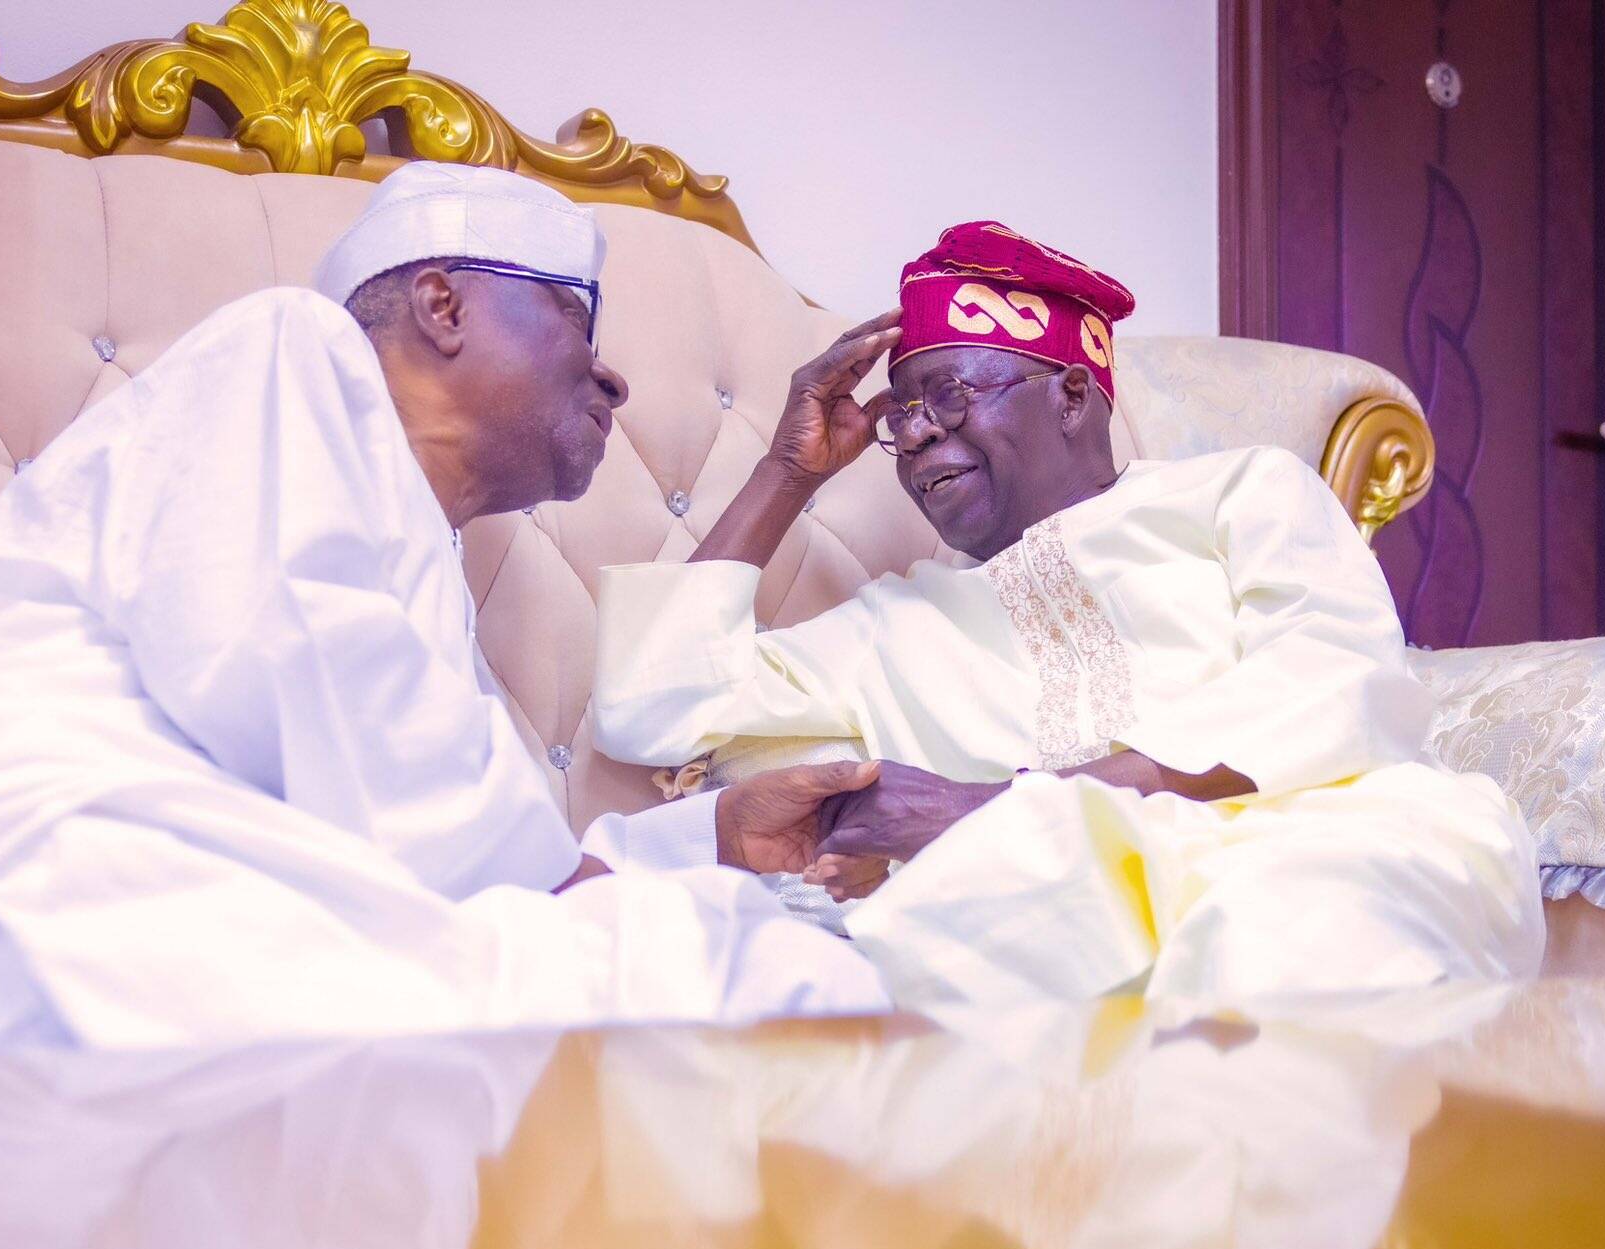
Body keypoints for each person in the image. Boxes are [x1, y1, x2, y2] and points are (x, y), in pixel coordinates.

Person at [0, 164, 903, 1058]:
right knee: (689, 967)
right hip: (58, 836)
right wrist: (597, 898)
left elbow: (441, 843)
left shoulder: (416, 567)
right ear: (440, 304)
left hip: (211, 875)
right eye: (578, 320)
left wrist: (709, 841)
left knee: (705, 951)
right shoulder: (290, 354)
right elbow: (272, 667)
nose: (614, 375)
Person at [592, 220, 1545, 1015]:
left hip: (1302, 850)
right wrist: (785, 473)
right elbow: (654, 706)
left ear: (1075, 396)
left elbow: (1337, 681)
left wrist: (994, 807)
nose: (916, 431)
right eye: (900, 417)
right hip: (1043, 907)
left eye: (950, 395)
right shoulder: (890, 622)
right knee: (962, 927)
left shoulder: (1242, 493)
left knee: (1338, 902)